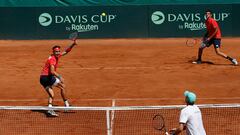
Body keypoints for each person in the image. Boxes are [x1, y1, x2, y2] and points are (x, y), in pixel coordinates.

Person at [40, 40, 77, 116]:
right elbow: (52, 71)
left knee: (51, 95)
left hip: (42, 79)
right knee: (62, 87)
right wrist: (60, 77)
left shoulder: (55, 56)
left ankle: (49, 109)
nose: (58, 53)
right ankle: (67, 105)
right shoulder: (53, 59)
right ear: (53, 52)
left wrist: (72, 45)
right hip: (48, 77)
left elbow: (66, 52)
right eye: (56, 51)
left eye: (58, 51)